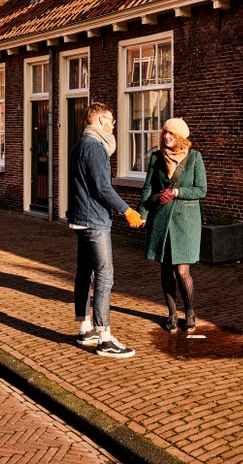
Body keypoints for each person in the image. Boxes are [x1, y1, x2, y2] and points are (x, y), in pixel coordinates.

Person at [68, 102, 143, 358]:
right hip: (94, 221)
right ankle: (104, 338)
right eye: (111, 119)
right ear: (101, 119)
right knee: (104, 275)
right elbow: (102, 188)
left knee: (84, 273)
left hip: (80, 218)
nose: (113, 124)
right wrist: (127, 210)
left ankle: (85, 328)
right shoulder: (95, 147)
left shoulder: (79, 144)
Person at [137, 117, 207, 333]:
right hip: (161, 219)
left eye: (171, 134)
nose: (166, 137)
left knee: (182, 271)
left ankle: (190, 312)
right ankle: (172, 314)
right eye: (165, 133)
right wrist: (142, 214)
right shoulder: (156, 157)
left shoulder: (194, 158)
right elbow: (148, 187)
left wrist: (176, 192)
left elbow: (201, 189)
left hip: (186, 222)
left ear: (181, 137)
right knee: (166, 269)